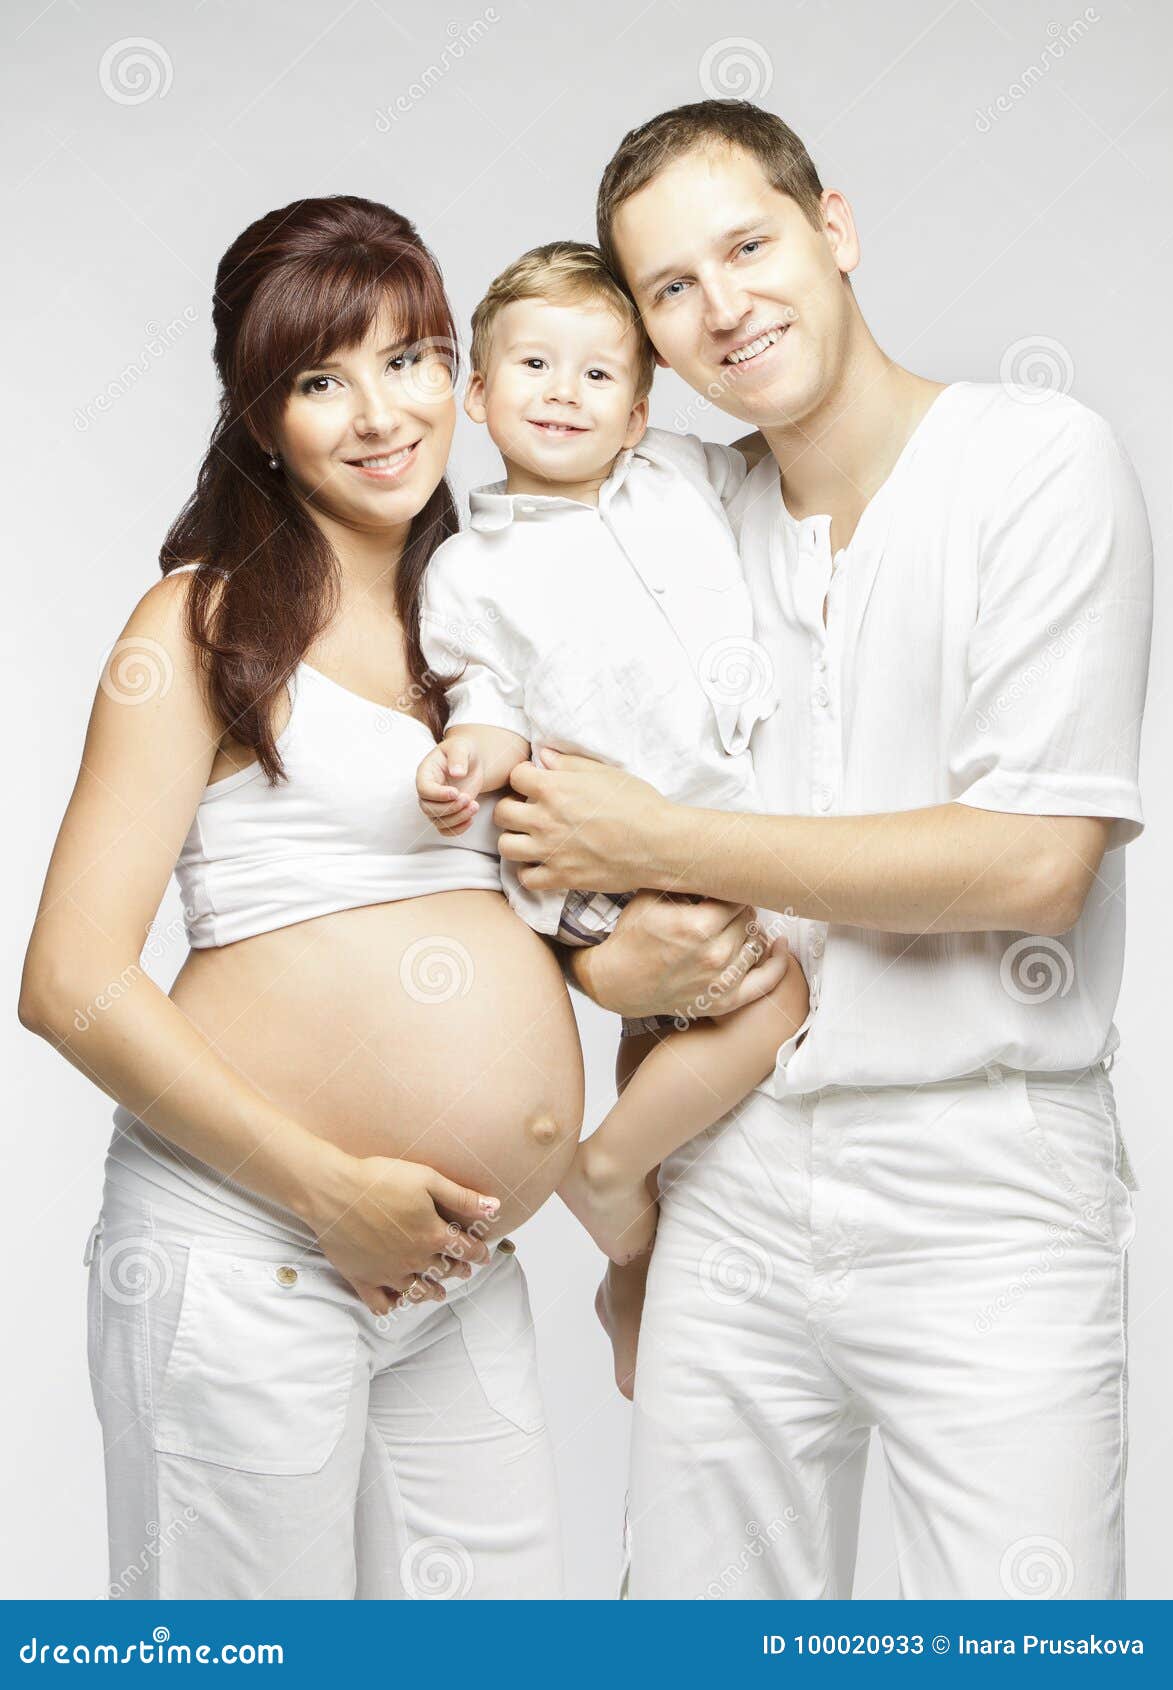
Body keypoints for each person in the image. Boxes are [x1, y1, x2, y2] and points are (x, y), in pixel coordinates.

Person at [494, 101, 1153, 1599]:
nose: (723, 305)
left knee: (1017, 1641)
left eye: (748, 245)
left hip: (984, 1169)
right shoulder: (669, 517)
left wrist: (668, 837)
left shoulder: (1038, 460)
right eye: (669, 288)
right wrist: (605, 964)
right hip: (730, 1171)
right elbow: (558, 828)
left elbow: (1029, 861)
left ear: (833, 230)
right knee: (692, 1636)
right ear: (648, 341)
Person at [18, 196, 585, 1600]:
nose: (380, 411)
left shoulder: (507, 625)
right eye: (320, 379)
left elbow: (573, 926)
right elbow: (69, 980)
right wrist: (327, 1190)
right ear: (260, 419)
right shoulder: (202, 625)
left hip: (458, 1273)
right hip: (251, 1249)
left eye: (410, 357)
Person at [414, 241, 809, 1264]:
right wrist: (468, 759)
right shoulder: (468, 569)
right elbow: (487, 697)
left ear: (639, 412)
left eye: (599, 374)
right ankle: (604, 1172)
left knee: (676, 1047)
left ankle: (635, 1266)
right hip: (607, 854)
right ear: (479, 392)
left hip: (716, 816)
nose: (565, 393)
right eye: (535, 366)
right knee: (776, 996)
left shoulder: (676, 474)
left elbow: (784, 476)